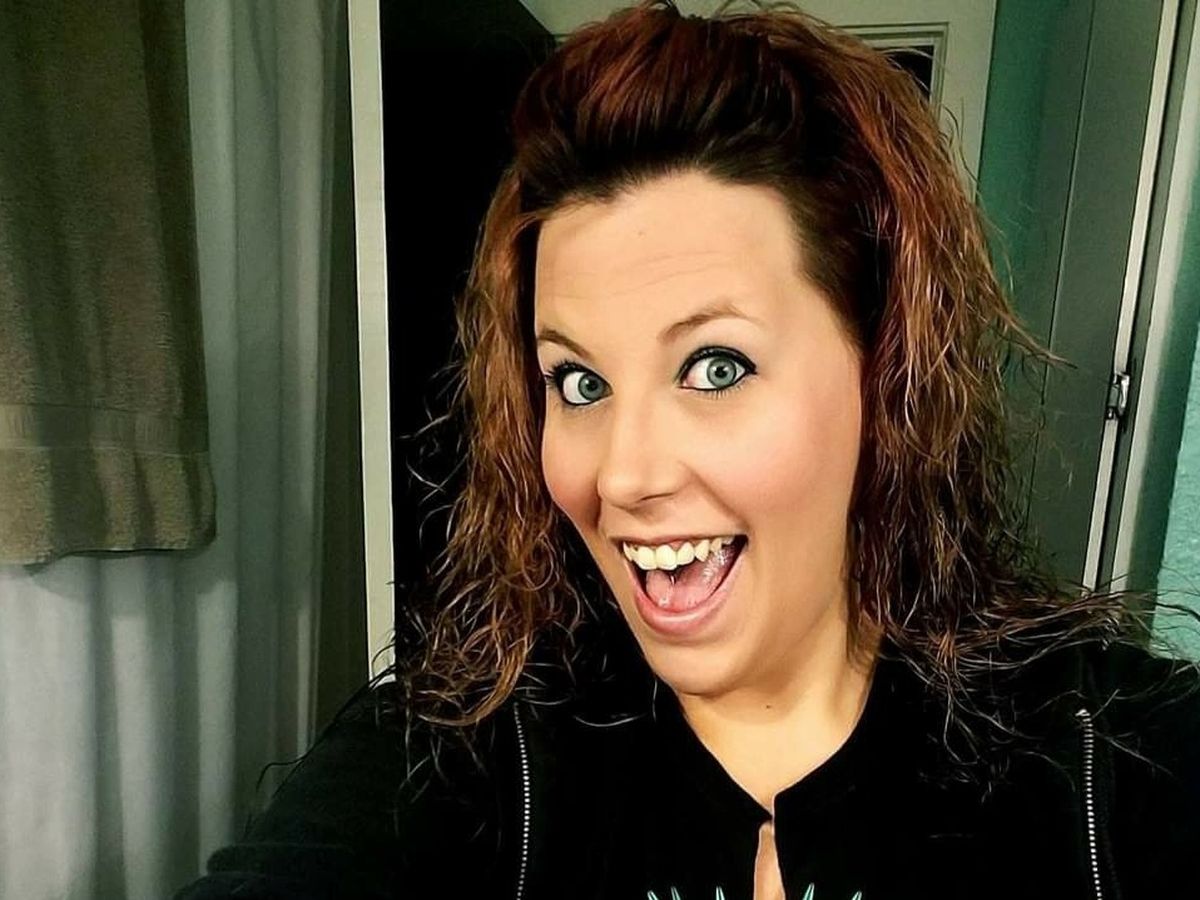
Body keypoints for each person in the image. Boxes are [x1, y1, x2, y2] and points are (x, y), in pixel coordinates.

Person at [175, 2, 1200, 898]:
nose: (622, 476)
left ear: (883, 374)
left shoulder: (1106, 768)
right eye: (579, 383)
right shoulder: (466, 759)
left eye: (715, 367)